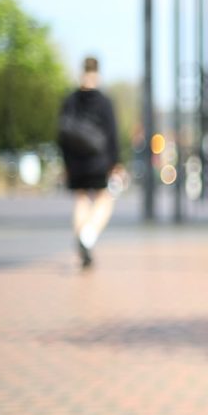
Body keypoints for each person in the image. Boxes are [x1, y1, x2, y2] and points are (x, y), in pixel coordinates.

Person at [57, 56, 120, 268]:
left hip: (75, 161)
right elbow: (112, 134)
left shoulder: (70, 100)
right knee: (105, 199)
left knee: (81, 199)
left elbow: (62, 135)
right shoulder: (104, 101)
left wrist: (65, 162)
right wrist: (116, 163)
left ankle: (83, 247)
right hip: (98, 160)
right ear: (98, 73)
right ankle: (87, 236)